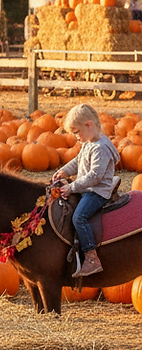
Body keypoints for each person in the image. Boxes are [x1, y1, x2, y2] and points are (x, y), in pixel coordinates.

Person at [53, 103, 120, 277]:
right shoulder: (89, 142)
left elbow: (94, 176)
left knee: (79, 217)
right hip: (88, 187)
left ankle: (91, 258)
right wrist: (65, 170)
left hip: (97, 191)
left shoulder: (100, 148)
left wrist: (72, 187)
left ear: (88, 125)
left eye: (77, 132)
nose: (76, 137)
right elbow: (78, 160)